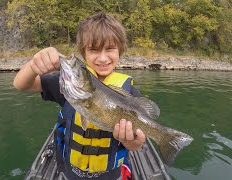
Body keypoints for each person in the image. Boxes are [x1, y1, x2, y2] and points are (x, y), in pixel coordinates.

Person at [14, 12, 146, 180]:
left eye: (110, 49)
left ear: (120, 50)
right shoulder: (69, 84)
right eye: (94, 50)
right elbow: (21, 85)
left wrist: (131, 141)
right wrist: (34, 65)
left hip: (110, 175)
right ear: (84, 53)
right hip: (72, 174)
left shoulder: (130, 93)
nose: (103, 57)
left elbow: (136, 145)